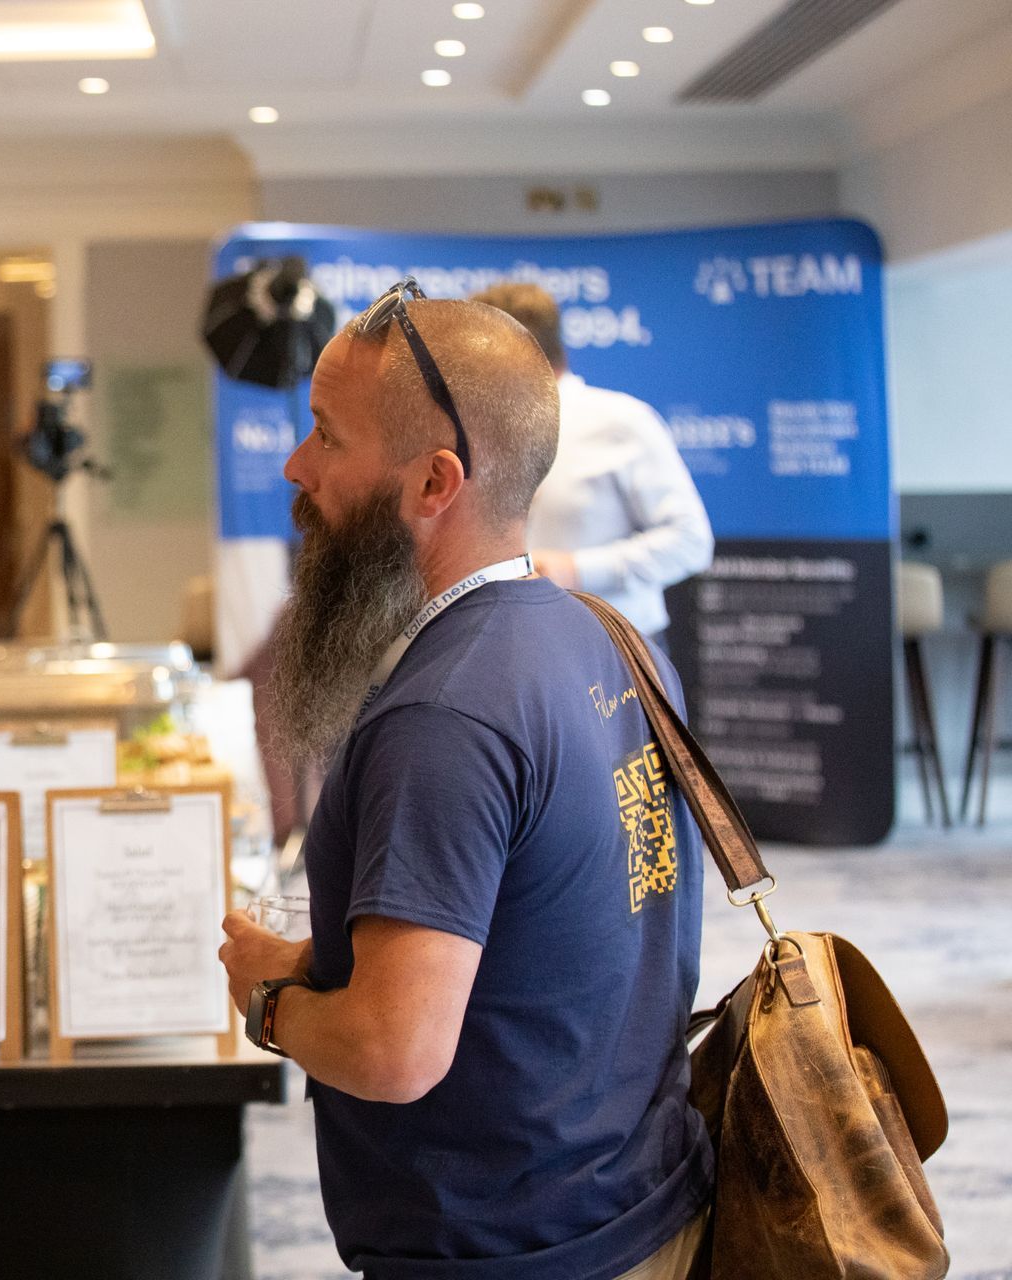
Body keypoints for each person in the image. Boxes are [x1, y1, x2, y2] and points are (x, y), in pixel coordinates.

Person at [218, 282, 712, 1280]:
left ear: (434, 480)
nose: (295, 465)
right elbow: (552, 926)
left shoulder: (444, 714)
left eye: (326, 436)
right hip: (641, 1200)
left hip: (517, 1250)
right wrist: (336, 952)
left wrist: (272, 998)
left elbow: (396, 1049)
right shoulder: (609, 638)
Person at [468, 282, 713, 643]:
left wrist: (578, 571)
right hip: (516, 647)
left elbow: (691, 542)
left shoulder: (621, 421)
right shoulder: (478, 431)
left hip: (615, 649)